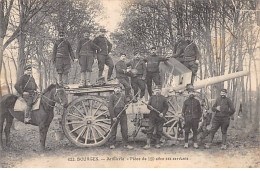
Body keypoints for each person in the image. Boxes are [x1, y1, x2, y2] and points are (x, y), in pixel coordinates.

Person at [108, 84, 134, 150]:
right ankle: (112, 144)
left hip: (123, 113)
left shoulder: (123, 95)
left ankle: (125, 144)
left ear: (120, 89)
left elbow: (126, 103)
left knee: (124, 129)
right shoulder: (111, 96)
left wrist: (126, 106)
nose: (117, 90)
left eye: (119, 88)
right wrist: (113, 116)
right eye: (116, 88)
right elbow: (110, 107)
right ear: (114, 89)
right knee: (113, 128)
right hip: (115, 113)